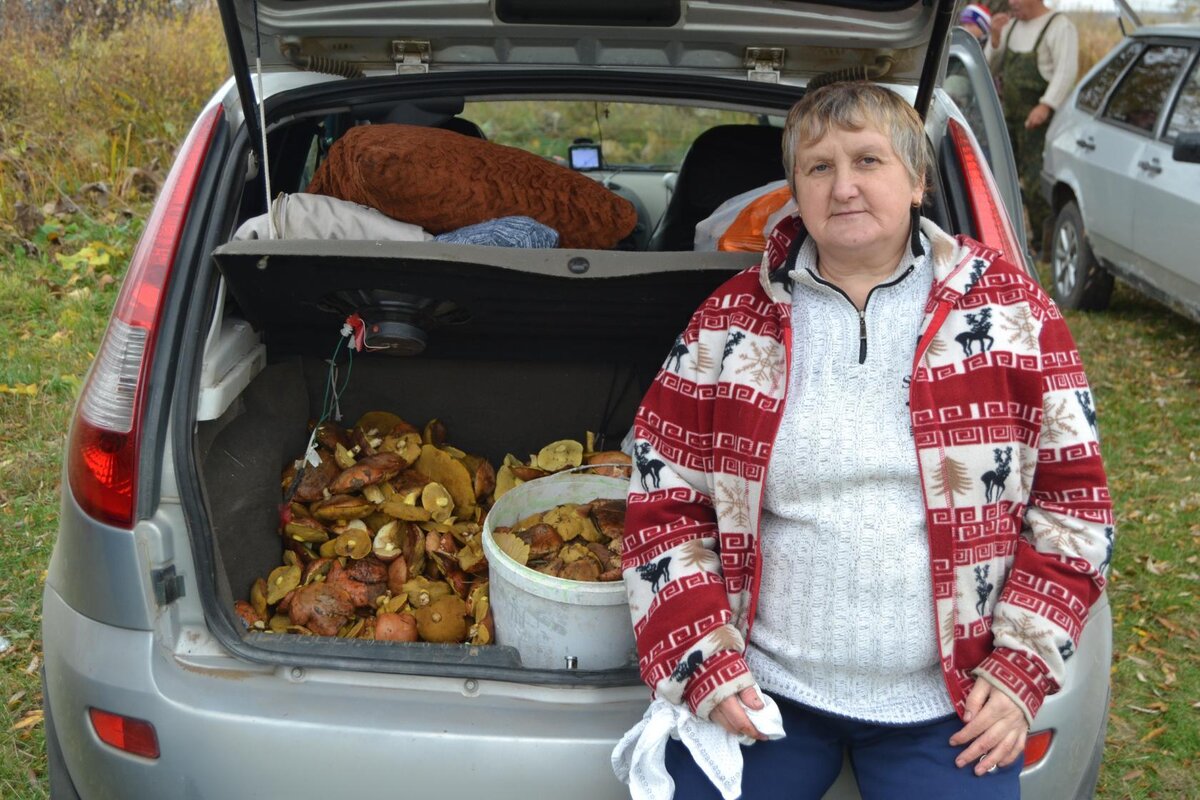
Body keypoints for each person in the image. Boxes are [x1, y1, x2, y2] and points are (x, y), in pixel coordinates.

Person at [621, 81, 1113, 799]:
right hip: (768, 694)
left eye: (869, 161)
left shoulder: (1013, 314)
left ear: (917, 181)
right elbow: (662, 501)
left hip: (950, 703)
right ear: (795, 189)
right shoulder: (727, 325)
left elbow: (1074, 506)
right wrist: (704, 662)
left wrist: (1018, 671)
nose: (844, 186)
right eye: (819, 167)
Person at [985, 0, 1078, 259]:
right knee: (998, 176)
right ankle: (1001, 240)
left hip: (1042, 123)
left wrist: (1045, 106)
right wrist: (994, 39)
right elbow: (990, 67)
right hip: (1010, 118)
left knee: (1038, 184)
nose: (1011, 3)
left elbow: (1066, 73)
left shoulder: (1059, 26)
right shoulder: (1011, 27)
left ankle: (1046, 248)